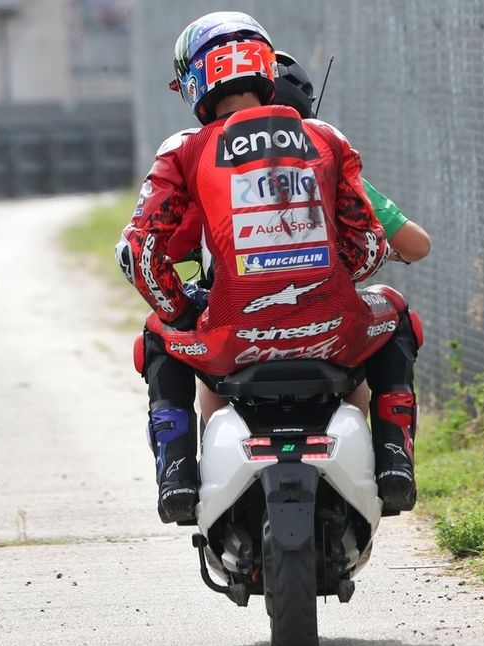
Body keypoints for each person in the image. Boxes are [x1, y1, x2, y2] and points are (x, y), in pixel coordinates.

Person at [115, 11, 421, 524]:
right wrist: (330, 279)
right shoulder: (324, 136)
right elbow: (368, 242)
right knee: (397, 313)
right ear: (264, 66)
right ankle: (394, 457)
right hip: (334, 332)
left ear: (196, 82)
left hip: (232, 338)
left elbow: (140, 252)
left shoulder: (184, 150)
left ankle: (177, 473)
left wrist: (182, 310)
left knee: (155, 334)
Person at [194, 50, 431, 421]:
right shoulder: (332, 167)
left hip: (238, 335)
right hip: (326, 328)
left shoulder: (209, 168)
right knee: (361, 377)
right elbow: (418, 245)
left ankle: (190, 469)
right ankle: (390, 454)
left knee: (208, 384)